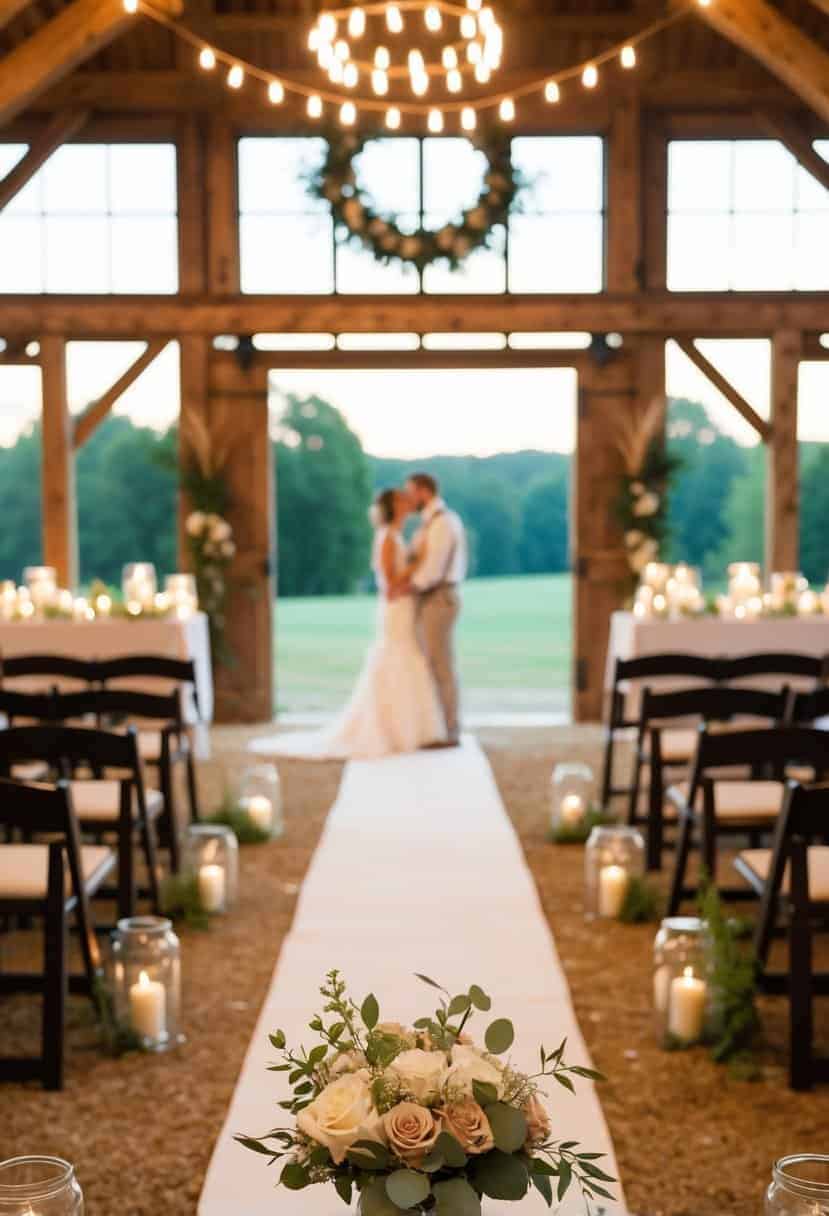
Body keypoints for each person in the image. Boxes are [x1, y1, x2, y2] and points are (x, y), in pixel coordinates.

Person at [250, 487, 447, 761]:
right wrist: (420, 562)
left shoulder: (395, 536)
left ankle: (410, 729)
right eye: (402, 500)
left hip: (404, 608)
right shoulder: (387, 538)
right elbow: (390, 585)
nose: (408, 503)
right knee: (396, 657)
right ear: (393, 508)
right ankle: (390, 729)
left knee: (406, 658)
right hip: (395, 610)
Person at [405, 472, 468, 747]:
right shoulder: (429, 523)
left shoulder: (443, 523)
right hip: (430, 597)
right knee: (432, 663)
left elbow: (433, 569)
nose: (409, 499)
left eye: (411, 492)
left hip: (438, 598)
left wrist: (408, 587)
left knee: (440, 664)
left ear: (424, 491)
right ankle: (437, 725)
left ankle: (450, 730)